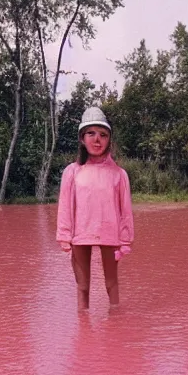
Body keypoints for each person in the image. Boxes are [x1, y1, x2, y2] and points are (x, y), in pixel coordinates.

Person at [56, 107, 134, 310]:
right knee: (82, 286)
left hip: (110, 234)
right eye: (91, 133)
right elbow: (65, 206)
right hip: (80, 235)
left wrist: (125, 239)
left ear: (109, 140)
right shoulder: (72, 172)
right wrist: (65, 235)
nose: (97, 140)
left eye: (103, 135)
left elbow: (125, 210)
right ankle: (83, 329)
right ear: (82, 138)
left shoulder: (119, 174)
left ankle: (116, 326)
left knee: (112, 284)